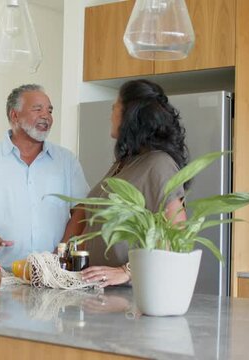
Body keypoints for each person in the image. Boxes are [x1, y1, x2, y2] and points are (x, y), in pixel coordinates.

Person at [0, 84, 89, 268]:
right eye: (37, 109)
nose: (46, 116)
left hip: (55, 273)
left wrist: (61, 252)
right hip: (2, 275)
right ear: (14, 115)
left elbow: (81, 210)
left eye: (49, 110)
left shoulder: (67, 161)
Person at [80, 79, 189, 287]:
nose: (110, 115)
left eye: (114, 107)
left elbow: (177, 237)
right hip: (100, 290)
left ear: (130, 114)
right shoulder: (125, 163)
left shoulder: (159, 164)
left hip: (134, 295)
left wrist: (126, 271)